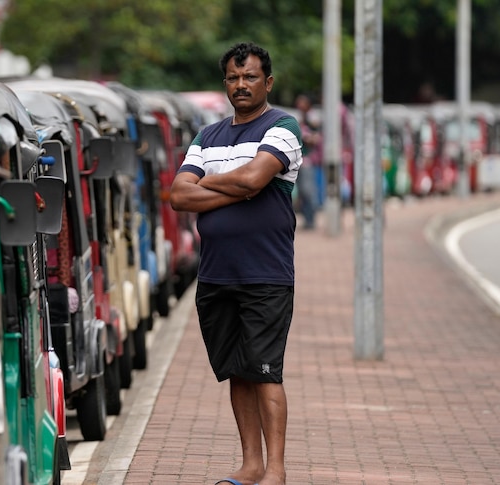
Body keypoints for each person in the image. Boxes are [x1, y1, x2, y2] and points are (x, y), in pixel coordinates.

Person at [169, 41, 302, 485]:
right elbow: (178, 195)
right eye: (233, 77)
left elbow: (255, 178)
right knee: (237, 374)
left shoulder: (283, 127)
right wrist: (239, 185)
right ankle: (250, 466)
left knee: (266, 372)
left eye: (249, 77)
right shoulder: (207, 135)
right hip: (215, 275)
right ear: (225, 82)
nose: (241, 85)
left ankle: (276, 471)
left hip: (266, 275)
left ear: (268, 81)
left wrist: (217, 182)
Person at [294, 93, 322, 229]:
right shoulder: (300, 118)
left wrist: (307, 137)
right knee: (302, 192)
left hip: (309, 160)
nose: (300, 105)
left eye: (302, 102)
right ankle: (307, 219)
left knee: (308, 190)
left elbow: (316, 139)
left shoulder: (313, 118)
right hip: (300, 159)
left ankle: (311, 220)